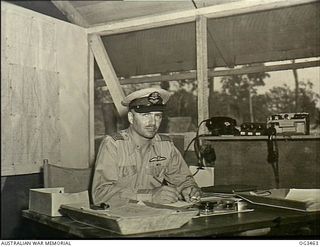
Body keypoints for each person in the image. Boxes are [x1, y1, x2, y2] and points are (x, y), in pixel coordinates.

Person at [91, 87, 201, 207]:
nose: (153, 122)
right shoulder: (113, 145)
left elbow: (184, 180)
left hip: (155, 215)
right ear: (131, 118)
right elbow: (100, 195)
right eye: (146, 115)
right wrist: (150, 196)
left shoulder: (166, 146)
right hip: (120, 216)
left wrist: (189, 189)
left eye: (157, 116)